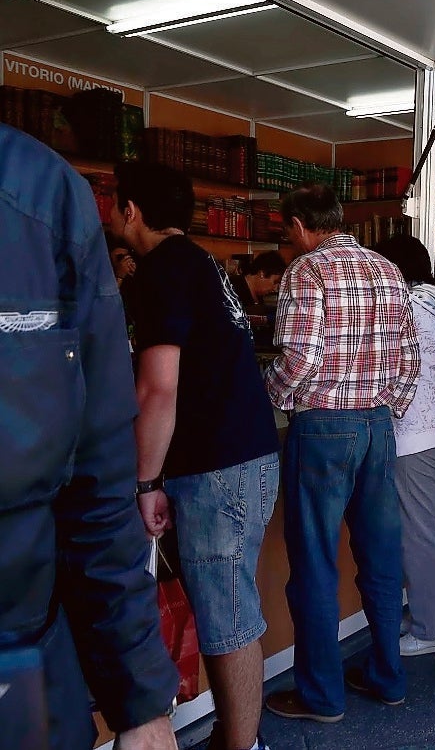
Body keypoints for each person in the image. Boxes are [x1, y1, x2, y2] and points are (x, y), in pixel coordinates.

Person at [0, 123, 178, 750]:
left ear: (130, 213)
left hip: (19, 663)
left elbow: (100, 468)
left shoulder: (41, 195)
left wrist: (142, 702)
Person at [113, 161, 279, 750]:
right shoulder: (206, 263)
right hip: (246, 456)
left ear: (130, 210)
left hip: (217, 469)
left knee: (227, 617)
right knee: (229, 607)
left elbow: (159, 387)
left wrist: (144, 482)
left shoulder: (159, 273)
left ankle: (243, 745)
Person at [265, 184, 421, 720]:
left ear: (302, 225)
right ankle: (388, 675)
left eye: (287, 229)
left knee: (313, 564)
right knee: (379, 557)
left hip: (323, 429)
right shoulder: (386, 269)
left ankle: (321, 694)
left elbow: (300, 357)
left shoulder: (306, 272)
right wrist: (385, 409)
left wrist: (276, 394)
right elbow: (410, 355)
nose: (288, 240)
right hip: (378, 426)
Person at [373, 236, 435, 658]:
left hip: (413, 430)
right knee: (431, 525)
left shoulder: (397, 304)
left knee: (420, 530)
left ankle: (434, 628)